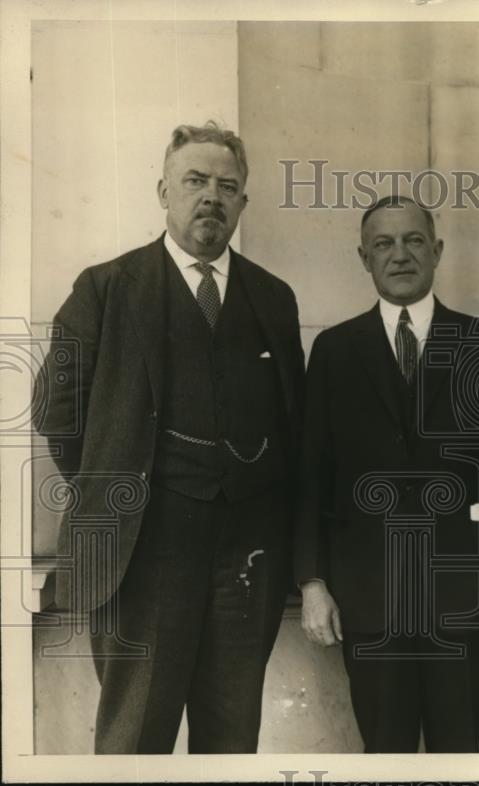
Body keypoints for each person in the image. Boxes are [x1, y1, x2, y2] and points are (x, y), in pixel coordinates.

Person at [32, 121, 305, 753]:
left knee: (232, 741)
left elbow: (291, 424)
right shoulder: (106, 288)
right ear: (163, 191)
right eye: (195, 181)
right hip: (141, 554)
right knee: (135, 742)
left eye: (227, 187)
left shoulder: (273, 298)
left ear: (243, 202)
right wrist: (114, 482)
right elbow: (57, 410)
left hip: (246, 560)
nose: (211, 197)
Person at [294, 195, 479, 753]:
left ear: (438, 251)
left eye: (413, 241)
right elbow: (311, 475)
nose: (399, 255)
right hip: (369, 598)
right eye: (383, 244)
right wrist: (311, 581)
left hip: (458, 598)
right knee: (384, 756)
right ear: (364, 258)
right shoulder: (334, 350)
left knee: (459, 756)